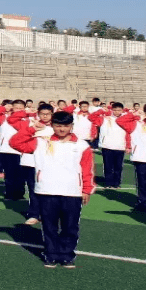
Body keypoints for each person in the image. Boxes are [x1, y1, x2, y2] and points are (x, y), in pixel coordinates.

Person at [8, 111, 93, 268]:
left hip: (72, 191)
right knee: (49, 226)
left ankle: (67, 255)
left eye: (66, 126)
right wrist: (32, 129)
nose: (62, 129)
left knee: (70, 226)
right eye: (58, 125)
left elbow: (86, 169)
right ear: (52, 126)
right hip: (46, 190)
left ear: (72, 126)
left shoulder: (82, 145)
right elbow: (15, 143)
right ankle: (51, 254)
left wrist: (87, 189)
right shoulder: (41, 142)